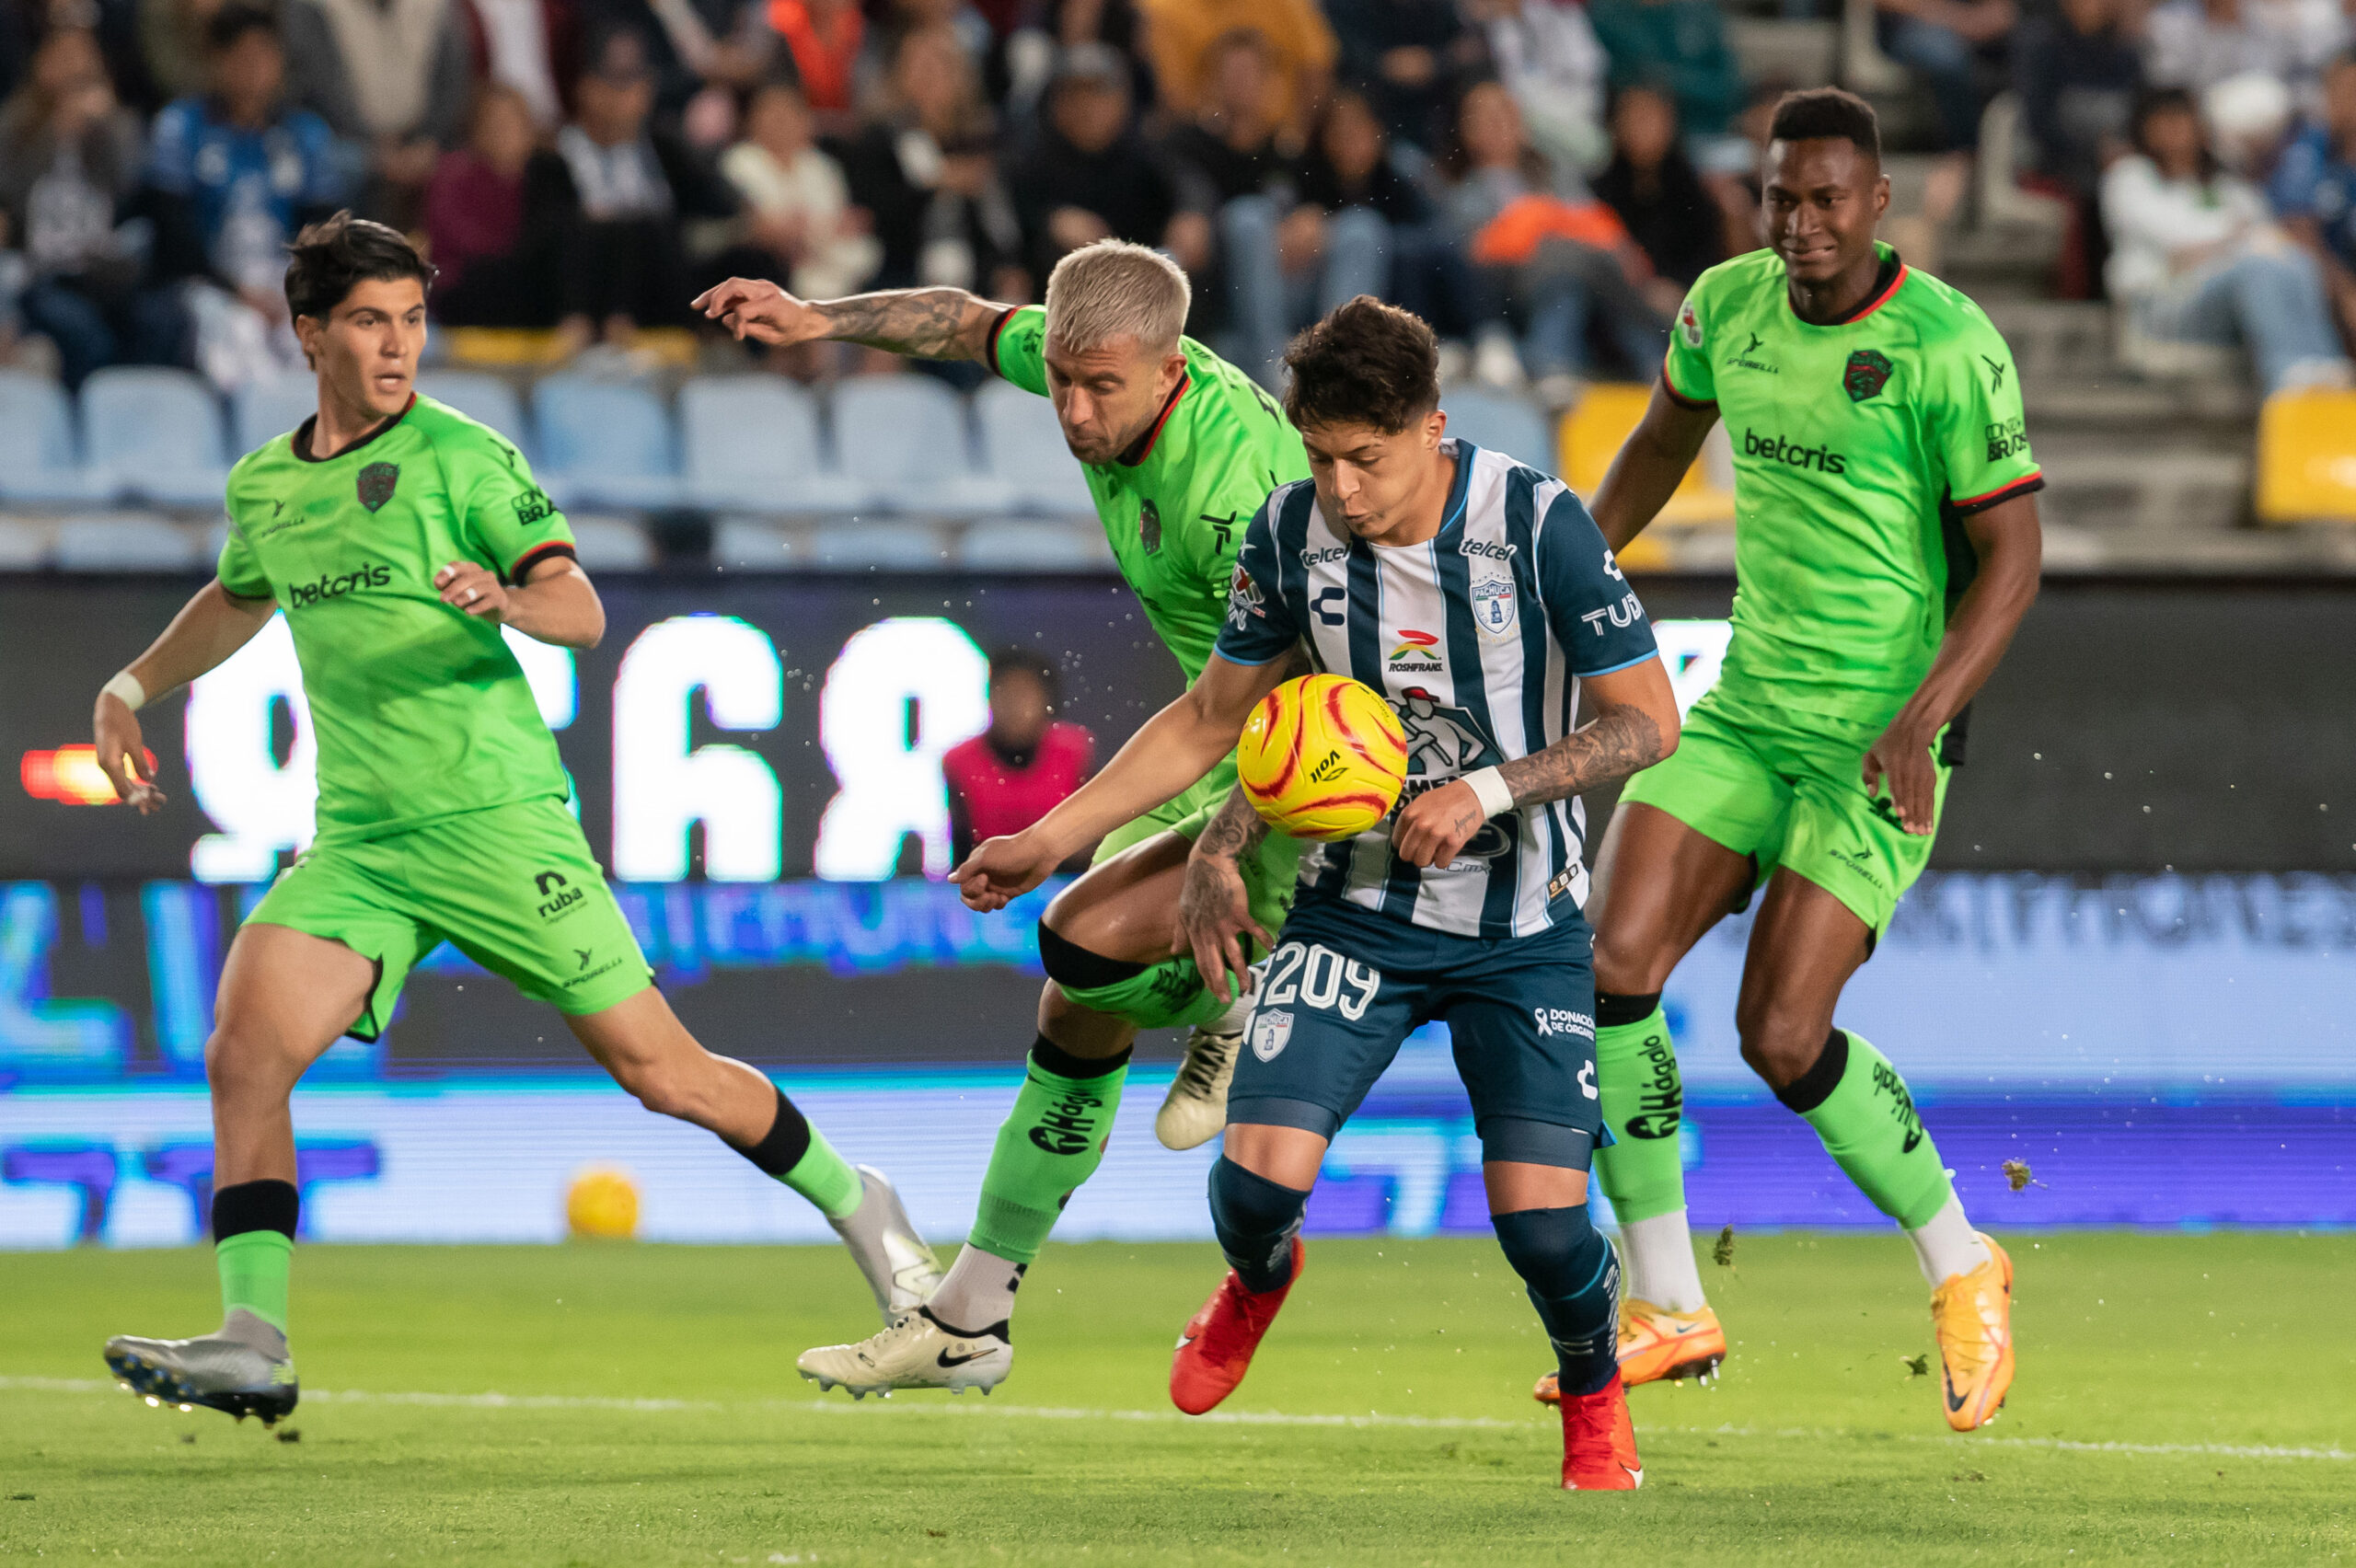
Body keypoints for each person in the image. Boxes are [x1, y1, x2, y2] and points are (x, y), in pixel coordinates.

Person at [96, 215, 940, 1426]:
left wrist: (505, 597)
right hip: (365, 845)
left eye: (413, 321)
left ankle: (866, 1207)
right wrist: (132, 686)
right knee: (244, 1050)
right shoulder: (268, 487)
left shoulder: (466, 460)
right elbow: (239, 597)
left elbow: (583, 608)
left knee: (667, 1076)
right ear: (308, 335)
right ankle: (254, 1339)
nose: (398, 348)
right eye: (372, 323)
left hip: (499, 827)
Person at [951, 295, 1681, 1490]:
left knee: (1546, 1229)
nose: (1343, 488)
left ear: (1434, 429)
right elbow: (1221, 721)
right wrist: (1084, 835)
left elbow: (1648, 722)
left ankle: (1595, 1392)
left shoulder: (1538, 525)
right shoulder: (1289, 535)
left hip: (1520, 925)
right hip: (1356, 914)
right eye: (1321, 455)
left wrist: (1491, 793)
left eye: (1368, 460)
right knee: (1248, 1191)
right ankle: (1260, 1276)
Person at [694, 238, 1311, 1391]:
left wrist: (1077, 839)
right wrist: (817, 316)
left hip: (1312, 754)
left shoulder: (1235, 496)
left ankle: (1246, 989)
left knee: (1079, 938)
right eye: (1062, 381)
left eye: (1100, 389)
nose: (1073, 411)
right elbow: (958, 318)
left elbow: (1272, 704)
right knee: (1076, 1005)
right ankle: (969, 1323)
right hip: (1228, 731)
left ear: (1171, 366)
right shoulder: (1094, 358)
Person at [1542, 87, 2038, 1432]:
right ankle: (1668, 1300)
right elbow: (1657, 444)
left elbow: (2015, 558)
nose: (1803, 224)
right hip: (1751, 712)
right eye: (1782, 199)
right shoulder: (1725, 308)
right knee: (1609, 967)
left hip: (1881, 742)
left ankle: (1962, 1258)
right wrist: (1560, 579)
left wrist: (1923, 716)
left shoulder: (1947, 346)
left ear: (1879, 204)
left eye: (1829, 200)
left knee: (1780, 1034)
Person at [2101, 85, 2352, 392]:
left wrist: (2229, 244)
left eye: (2183, 119)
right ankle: (2290, 376)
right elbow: (2178, 243)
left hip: (2226, 300)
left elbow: (2266, 235)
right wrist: (2236, 239)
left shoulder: (2228, 187)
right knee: (2256, 266)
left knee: (2297, 261)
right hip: (2165, 304)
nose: (2176, 130)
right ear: (2145, 128)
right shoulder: (2129, 177)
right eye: (2165, 121)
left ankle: (2327, 367)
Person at [0, 24, 175, 386]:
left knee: (164, 319)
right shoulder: (17, 125)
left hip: (101, 268)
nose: (74, 68)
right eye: (63, 57)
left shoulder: (116, 125)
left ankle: (138, 418)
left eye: (83, 56)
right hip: (44, 271)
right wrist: (55, 131)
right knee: (83, 333)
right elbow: (11, 197)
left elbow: (127, 193)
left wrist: (104, 130)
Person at [720, 80, 880, 300]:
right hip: (772, 260)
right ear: (752, 120)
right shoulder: (739, 161)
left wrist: (844, 224)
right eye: (771, 112)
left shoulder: (821, 165)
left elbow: (838, 218)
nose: (780, 121)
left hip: (825, 252)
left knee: (865, 252)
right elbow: (757, 223)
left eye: (788, 112)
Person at [942, 649, 1095, 866]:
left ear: (1047, 700)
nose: (1015, 705)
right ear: (989, 697)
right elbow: (960, 847)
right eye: (1005, 693)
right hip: (987, 880)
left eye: (1024, 694)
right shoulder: (959, 760)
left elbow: (1089, 835)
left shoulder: (1076, 750)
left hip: (1064, 880)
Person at [423, 82, 538, 325]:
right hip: (462, 289)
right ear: (474, 129)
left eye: (510, 122)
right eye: (492, 122)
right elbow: (455, 238)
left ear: (529, 132)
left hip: (525, 287)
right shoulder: (451, 175)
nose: (501, 131)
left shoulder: (542, 181)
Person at [2269, 48, 2356, 348]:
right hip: (2328, 282)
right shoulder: (2307, 150)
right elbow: (2299, 231)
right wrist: (2346, 290)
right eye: (2344, 90)